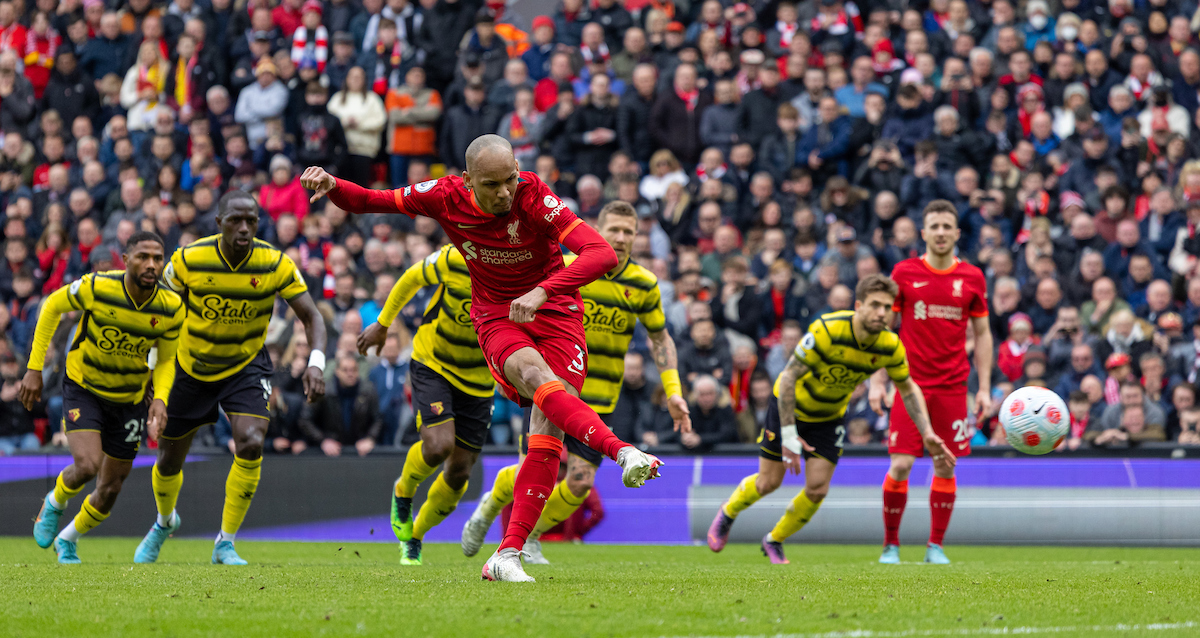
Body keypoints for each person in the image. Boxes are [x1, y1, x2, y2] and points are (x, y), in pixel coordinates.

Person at [301, 135, 661, 582]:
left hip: (555, 310)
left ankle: (507, 554)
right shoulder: (443, 196)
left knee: (548, 429)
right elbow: (369, 200)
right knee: (534, 376)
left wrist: (544, 289)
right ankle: (621, 450)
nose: (505, 192)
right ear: (468, 180)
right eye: (493, 185)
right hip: (496, 315)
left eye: (510, 179)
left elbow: (601, 253)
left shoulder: (534, 196)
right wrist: (331, 182)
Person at [460, 201, 691, 566]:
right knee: (532, 468)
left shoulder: (644, 284)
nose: (620, 237)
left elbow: (660, 339)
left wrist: (674, 391)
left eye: (628, 232)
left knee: (580, 482)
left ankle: (530, 537)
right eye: (613, 229)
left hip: (600, 395)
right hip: (552, 386)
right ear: (596, 228)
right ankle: (493, 512)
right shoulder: (564, 271)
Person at [132, 190, 328, 566]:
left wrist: (316, 362)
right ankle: (163, 522)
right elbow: (159, 315)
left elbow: (313, 317)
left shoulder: (275, 263)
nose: (244, 228)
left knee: (252, 441)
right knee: (169, 461)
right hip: (190, 367)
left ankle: (225, 543)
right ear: (218, 223)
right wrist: (152, 374)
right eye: (235, 220)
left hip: (245, 365)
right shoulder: (189, 259)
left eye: (251, 221)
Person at [706, 274, 953, 564]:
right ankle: (728, 512)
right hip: (790, 407)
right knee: (768, 483)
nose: (881, 313)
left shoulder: (890, 345)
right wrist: (788, 435)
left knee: (817, 488)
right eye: (875, 305)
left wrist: (927, 433)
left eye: (887, 307)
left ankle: (774, 539)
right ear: (859, 305)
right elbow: (788, 379)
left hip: (828, 417)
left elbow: (908, 388)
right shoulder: (828, 330)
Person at [22, 232, 184, 564]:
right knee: (87, 465)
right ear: (125, 260)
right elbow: (52, 305)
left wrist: (161, 399)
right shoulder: (98, 287)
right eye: (143, 257)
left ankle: (67, 540)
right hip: (85, 388)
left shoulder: (170, 307)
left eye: (157, 258)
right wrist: (34, 368)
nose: (151, 264)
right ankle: (55, 502)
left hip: (129, 399)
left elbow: (167, 359)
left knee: (109, 489)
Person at [356, 242, 497, 566]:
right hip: (434, 363)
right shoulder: (457, 255)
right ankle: (404, 489)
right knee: (437, 446)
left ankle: (414, 537)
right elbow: (411, 277)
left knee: (460, 472)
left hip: (479, 380)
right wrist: (383, 322)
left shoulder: (523, 268)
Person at [868, 200, 992, 565]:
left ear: (956, 233)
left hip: (954, 386)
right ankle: (891, 545)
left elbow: (983, 334)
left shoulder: (972, 277)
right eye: (934, 226)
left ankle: (935, 546)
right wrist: (878, 381)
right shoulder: (903, 273)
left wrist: (983, 387)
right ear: (924, 233)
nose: (940, 232)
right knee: (901, 465)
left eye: (946, 226)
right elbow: (884, 330)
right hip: (910, 385)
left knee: (946, 465)